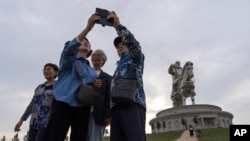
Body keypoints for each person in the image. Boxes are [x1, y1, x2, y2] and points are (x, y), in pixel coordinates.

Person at [43, 13, 101, 141]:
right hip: (63, 103)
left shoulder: (91, 70)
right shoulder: (69, 60)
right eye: (83, 41)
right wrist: (87, 29)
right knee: (54, 137)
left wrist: (95, 85)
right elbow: (69, 49)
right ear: (77, 47)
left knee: (79, 138)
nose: (85, 42)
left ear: (90, 49)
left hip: (82, 107)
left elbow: (90, 87)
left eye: (88, 42)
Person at [108, 12, 146, 141]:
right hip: (116, 109)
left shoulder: (135, 58)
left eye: (122, 44)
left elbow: (134, 46)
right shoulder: (118, 66)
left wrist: (118, 26)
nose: (119, 47)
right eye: (117, 47)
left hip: (132, 104)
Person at [14, 63, 59, 141]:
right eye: (44, 70)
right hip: (34, 123)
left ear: (56, 72)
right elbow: (31, 105)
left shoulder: (59, 86)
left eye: (49, 69)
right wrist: (21, 120)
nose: (46, 71)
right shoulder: (39, 88)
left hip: (48, 123)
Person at [88, 49, 112, 141]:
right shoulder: (85, 74)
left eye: (99, 55)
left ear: (103, 61)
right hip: (83, 112)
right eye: (94, 55)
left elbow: (109, 97)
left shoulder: (108, 78)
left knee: (95, 138)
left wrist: (108, 114)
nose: (96, 57)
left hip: (99, 114)